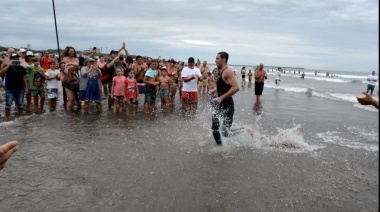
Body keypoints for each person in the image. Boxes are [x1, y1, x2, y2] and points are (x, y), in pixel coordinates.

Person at [211, 51, 244, 146]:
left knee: (225, 132)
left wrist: (221, 97)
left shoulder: (228, 71)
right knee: (214, 128)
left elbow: (236, 87)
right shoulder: (221, 71)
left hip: (228, 105)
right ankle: (220, 147)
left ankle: (246, 129)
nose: (215, 60)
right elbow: (226, 86)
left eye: (217, 58)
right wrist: (215, 90)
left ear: (223, 59)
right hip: (220, 104)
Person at [0, 53, 28, 121]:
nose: (16, 59)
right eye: (14, 58)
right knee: (8, 104)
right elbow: (2, 72)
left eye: (17, 58)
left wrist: (26, 87)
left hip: (20, 88)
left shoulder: (21, 67)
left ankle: (21, 116)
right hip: (10, 88)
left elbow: (24, 77)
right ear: (11, 59)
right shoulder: (8, 67)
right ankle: (7, 117)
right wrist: (9, 64)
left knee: (20, 104)